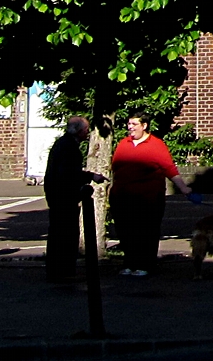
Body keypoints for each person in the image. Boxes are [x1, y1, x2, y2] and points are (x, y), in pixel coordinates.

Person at [109, 114, 202, 277]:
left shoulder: (156, 145)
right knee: (125, 231)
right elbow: (115, 167)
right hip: (122, 197)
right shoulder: (124, 143)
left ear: (144, 126)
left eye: (134, 124)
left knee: (145, 231)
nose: (130, 127)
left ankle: (145, 264)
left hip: (147, 198)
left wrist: (183, 187)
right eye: (129, 124)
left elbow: (169, 168)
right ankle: (130, 263)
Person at [43, 115, 103, 284]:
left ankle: (56, 270)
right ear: (78, 131)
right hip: (63, 198)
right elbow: (68, 174)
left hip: (56, 196)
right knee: (65, 235)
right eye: (85, 130)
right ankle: (63, 270)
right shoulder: (70, 148)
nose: (87, 133)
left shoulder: (62, 144)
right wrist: (89, 177)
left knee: (57, 234)